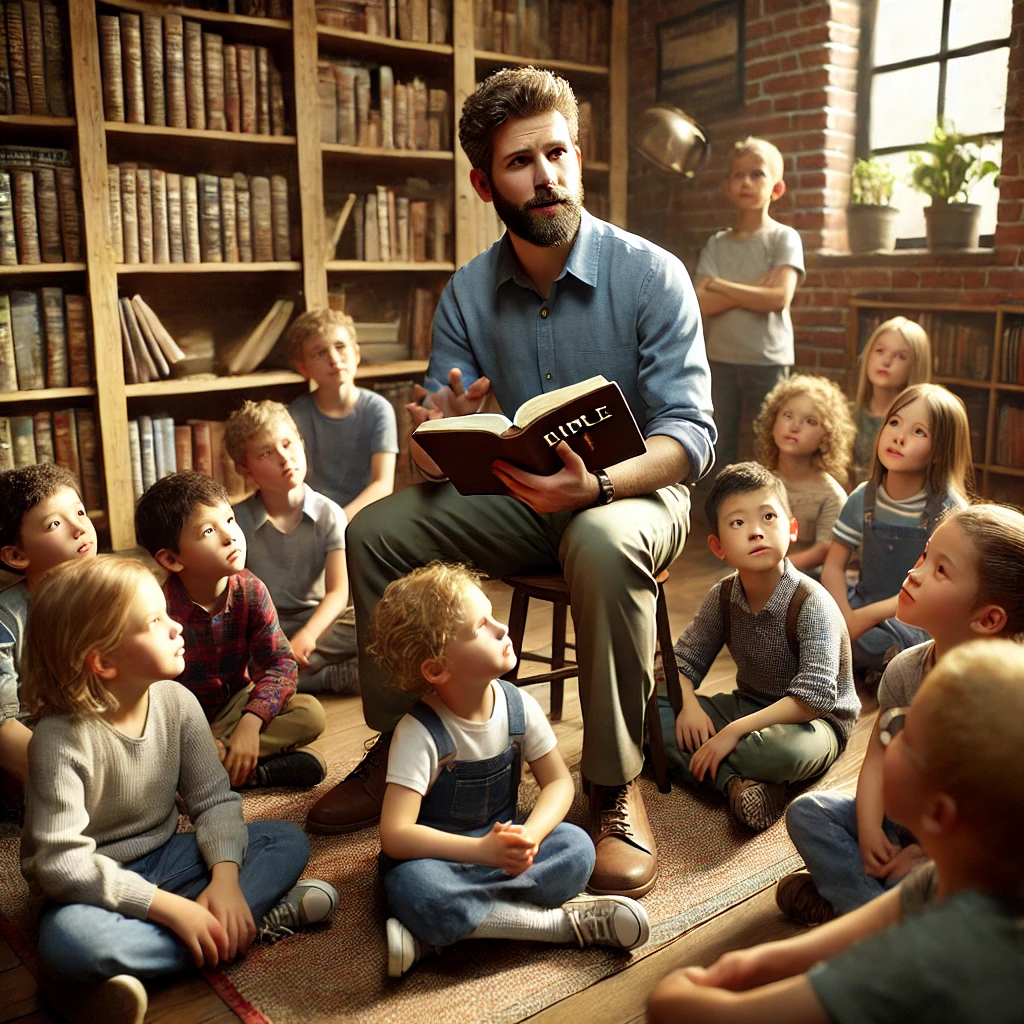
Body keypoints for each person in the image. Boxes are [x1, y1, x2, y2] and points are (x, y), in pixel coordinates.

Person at [305, 67, 715, 900]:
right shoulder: (466, 289)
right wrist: (431, 437)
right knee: (377, 529)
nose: (548, 175)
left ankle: (610, 785)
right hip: (517, 498)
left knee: (599, 541)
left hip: (633, 497)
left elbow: (692, 436)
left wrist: (596, 488)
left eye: (559, 153)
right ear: (483, 180)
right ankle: (400, 744)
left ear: (578, 156)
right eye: (522, 162)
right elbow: (439, 441)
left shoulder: (652, 274)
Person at [19, 556, 338, 1024]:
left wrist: (226, 880)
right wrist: (168, 909)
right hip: (87, 887)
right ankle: (234, 931)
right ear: (103, 661)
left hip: (169, 859)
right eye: (154, 621)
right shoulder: (58, 740)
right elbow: (61, 864)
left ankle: (185, 943)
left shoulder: (178, 703)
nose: (176, 627)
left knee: (284, 840)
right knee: (70, 942)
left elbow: (213, 801)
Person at [647, 638, 1024, 1024]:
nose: (885, 738)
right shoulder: (953, 878)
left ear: (939, 813)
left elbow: (680, 1010)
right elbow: (873, 923)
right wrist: (743, 964)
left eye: (903, 733)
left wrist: (674, 989)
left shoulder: (925, 957)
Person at [373, 562, 650, 976]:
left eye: (493, 615)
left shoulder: (519, 707)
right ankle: (557, 926)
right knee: (416, 889)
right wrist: (481, 851)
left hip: (504, 851)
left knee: (576, 849)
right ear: (436, 669)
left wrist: (532, 836)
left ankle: (439, 936)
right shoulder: (419, 733)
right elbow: (396, 836)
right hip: (443, 860)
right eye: (480, 626)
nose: (501, 628)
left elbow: (558, 782)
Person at [779, 503, 1024, 924]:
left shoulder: (1005, 696)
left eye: (941, 570)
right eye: (925, 555)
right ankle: (879, 914)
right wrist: (871, 827)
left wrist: (930, 856)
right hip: (901, 822)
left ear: (988, 618)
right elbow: (877, 758)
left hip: (967, 850)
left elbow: (998, 825)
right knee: (808, 814)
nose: (916, 572)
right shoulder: (905, 669)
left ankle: (862, 911)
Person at [660, 463, 858, 831]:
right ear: (717, 546)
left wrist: (731, 732)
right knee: (649, 709)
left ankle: (731, 771)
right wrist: (687, 705)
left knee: (776, 753)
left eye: (768, 516)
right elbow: (679, 663)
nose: (755, 532)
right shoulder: (723, 595)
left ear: (792, 528)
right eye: (738, 523)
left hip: (813, 725)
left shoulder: (811, 602)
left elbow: (813, 698)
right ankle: (738, 785)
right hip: (748, 705)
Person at [134, 472, 327, 789]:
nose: (230, 536)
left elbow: (280, 662)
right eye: (208, 530)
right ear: (171, 559)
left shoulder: (251, 591)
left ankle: (210, 768)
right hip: (180, 724)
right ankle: (248, 773)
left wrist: (251, 724)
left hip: (235, 708)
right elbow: (152, 694)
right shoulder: (160, 608)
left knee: (310, 713)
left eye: (230, 519)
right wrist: (197, 737)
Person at [821, 383, 972, 677]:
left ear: (940, 451)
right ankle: (873, 665)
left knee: (906, 642)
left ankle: (877, 665)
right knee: (808, 618)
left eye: (919, 432)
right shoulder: (863, 497)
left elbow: (937, 587)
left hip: (914, 614)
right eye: (894, 422)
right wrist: (843, 618)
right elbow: (833, 568)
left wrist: (861, 620)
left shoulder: (948, 509)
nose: (899, 437)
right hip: (860, 602)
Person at [226, 400, 359, 696]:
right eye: (266, 453)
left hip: (321, 627)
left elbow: (338, 593)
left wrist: (308, 636)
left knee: (373, 618)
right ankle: (321, 677)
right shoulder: (237, 522)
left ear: (301, 441)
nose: (285, 458)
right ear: (245, 470)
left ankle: (277, 674)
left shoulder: (329, 514)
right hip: (266, 631)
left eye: (288, 444)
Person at [695, 137, 805, 468]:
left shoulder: (785, 238)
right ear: (727, 185)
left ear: (777, 187)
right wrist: (751, 292)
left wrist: (722, 286)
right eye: (738, 175)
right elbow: (701, 302)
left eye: (757, 174)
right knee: (719, 440)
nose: (746, 182)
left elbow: (777, 298)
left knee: (770, 444)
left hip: (768, 359)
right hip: (721, 358)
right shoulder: (716, 243)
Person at [0, 464, 98, 791]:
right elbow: (3, 725)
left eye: (80, 512)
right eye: (54, 523)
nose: (79, 528)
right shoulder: (6, 618)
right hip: (37, 754)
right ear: (16, 555)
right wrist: (62, 781)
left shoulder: (113, 595)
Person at [286, 309, 398, 522]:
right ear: (303, 368)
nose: (334, 359)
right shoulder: (294, 416)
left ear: (356, 354)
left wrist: (338, 524)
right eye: (320, 353)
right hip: (311, 519)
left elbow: (383, 484)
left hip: (365, 517)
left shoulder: (377, 409)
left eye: (340, 347)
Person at [753, 374, 855, 576]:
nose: (794, 427)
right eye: (787, 415)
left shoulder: (831, 495)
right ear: (773, 421)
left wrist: (776, 567)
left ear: (828, 436)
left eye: (810, 421)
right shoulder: (759, 482)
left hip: (807, 581)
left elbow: (824, 550)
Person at [850, 317, 931, 486]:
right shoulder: (845, 415)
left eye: (901, 356)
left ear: (916, 366)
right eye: (880, 351)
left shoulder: (921, 427)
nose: (886, 361)